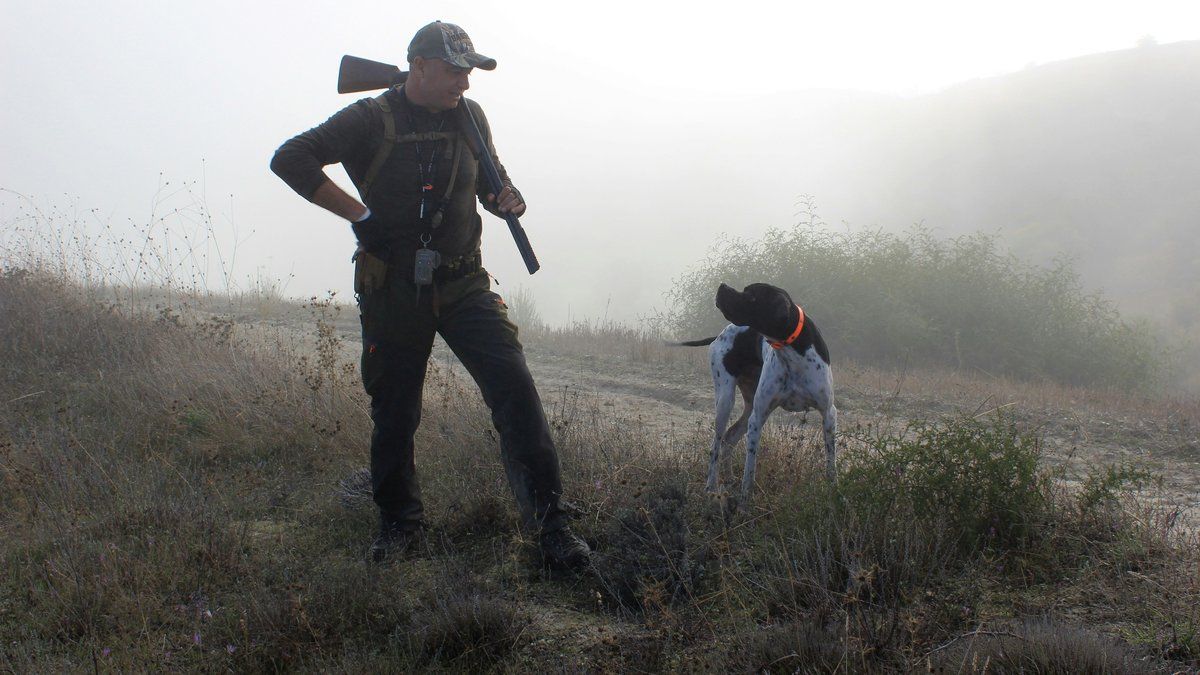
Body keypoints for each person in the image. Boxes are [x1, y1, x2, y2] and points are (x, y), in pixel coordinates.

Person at [270, 20, 590, 569]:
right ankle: (399, 526)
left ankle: (552, 528)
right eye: (454, 70)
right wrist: (359, 214)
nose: (464, 83)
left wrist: (504, 196)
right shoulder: (370, 117)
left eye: (469, 71)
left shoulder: (470, 115)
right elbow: (290, 158)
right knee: (395, 411)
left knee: (516, 392)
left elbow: (490, 181)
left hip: (465, 282)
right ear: (418, 67)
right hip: (393, 285)